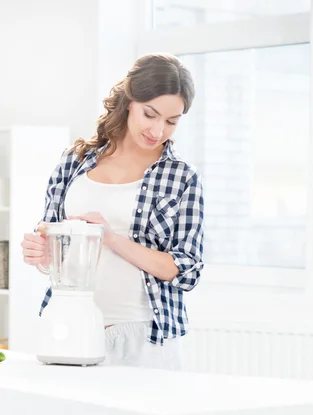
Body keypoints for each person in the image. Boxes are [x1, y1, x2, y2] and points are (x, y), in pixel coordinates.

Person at [21, 52, 205, 369]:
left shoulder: (181, 178)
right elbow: (51, 239)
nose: (158, 130)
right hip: (71, 329)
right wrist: (41, 254)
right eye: (151, 114)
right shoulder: (74, 161)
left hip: (145, 337)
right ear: (129, 99)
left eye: (172, 121)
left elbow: (185, 270)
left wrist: (110, 238)